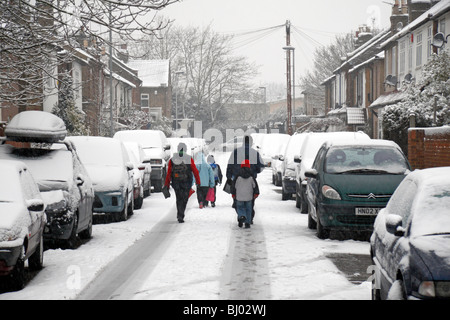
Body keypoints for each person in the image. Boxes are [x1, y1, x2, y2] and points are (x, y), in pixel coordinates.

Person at [226, 135, 264, 222]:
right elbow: (261, 166)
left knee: (238, 200)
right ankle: (249, 217)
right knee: (250, 201)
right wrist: (255, 171)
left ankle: (241, 215)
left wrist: (229, 177)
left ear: (243, 142)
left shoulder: (235, 152)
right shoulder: (255, 153)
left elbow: (230, 165)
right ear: (251, 142)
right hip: (250, 181)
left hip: (237, 180)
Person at [164, 142, 200, 223]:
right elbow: (195, 171)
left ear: (178, 149)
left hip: (176, 182)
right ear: (186, 149)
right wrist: (198, 181)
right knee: (184, 199)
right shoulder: (188, 158)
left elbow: (169, 173)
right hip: (186, 182)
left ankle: (180, 214)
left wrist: (166, 184)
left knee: (178, 198)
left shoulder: (172, 159)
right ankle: (181, 214)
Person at [231, 160, 259, 228]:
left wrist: (233, 194)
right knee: (248, 209)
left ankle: (241, 216)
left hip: (239, 196)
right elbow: (255, 186)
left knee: (240, 208)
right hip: (249, 196)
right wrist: (256, 193)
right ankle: (247, 223)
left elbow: (234, 186)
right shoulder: (251, 176)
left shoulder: (238, 176)